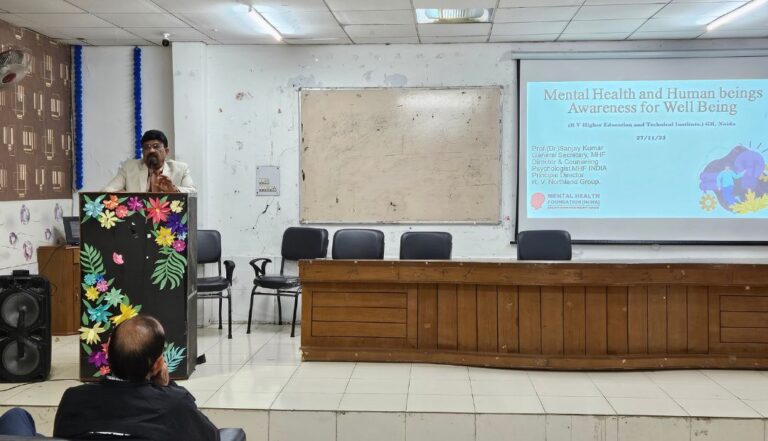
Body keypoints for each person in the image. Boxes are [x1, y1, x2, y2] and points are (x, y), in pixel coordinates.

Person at [53, 315, 220, 441]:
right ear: (157, 365)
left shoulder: (73, 399)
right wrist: (167, 387)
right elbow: (211, 436)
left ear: (108, 351)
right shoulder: (174, 404)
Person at [102, 129, 196, 193]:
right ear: (143, 152)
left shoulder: (180, 169)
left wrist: (173, 189)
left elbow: (192, 191)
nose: (151, 150)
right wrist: (125, 196)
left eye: (156, 146)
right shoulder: (129, 167)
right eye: (146, 147)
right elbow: (107, 190)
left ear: (166, 151)